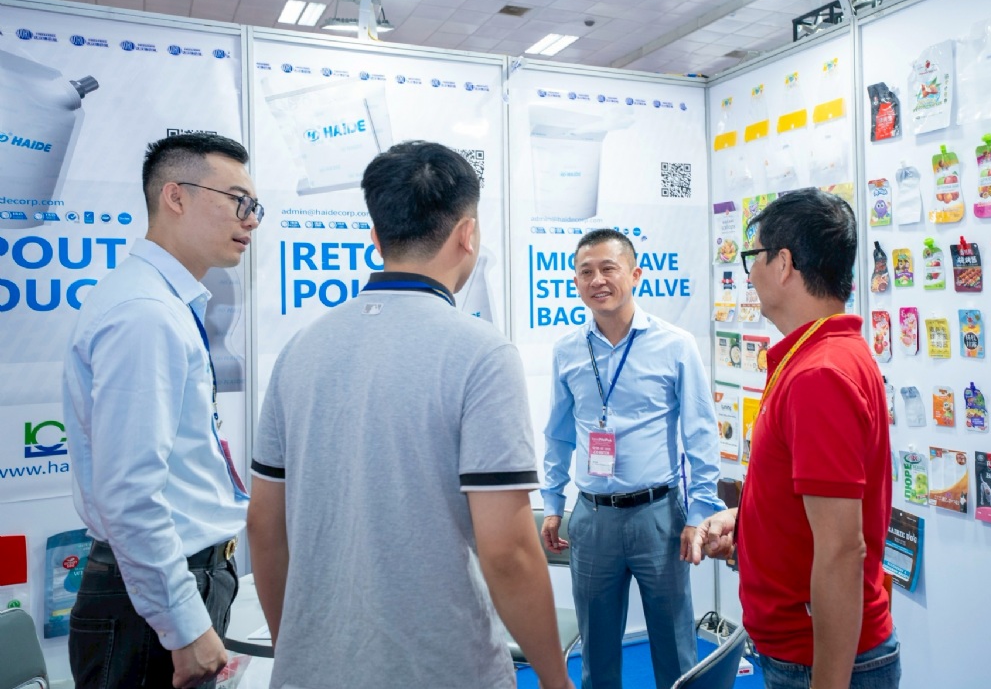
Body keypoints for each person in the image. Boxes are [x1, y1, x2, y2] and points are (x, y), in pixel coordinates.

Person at [246, 141, 572, 689]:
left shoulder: (301, 348)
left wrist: (296, 652)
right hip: (441, 668)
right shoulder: (482, 353)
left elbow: (263, 524)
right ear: (468, 234)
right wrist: (555, 680)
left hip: (312, 669)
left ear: (376, 238)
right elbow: (508, 552)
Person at [63, 133, 263, 689]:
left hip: (169, 586)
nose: (251, 220)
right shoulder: (144, 313)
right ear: (175, 196)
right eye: (238, 201)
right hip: (153, 602)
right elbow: (129, 491)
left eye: (255, 206)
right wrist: (184, 626)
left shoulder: (162, 302)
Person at [686, 188, 899, 689]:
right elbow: (815, 505)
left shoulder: (819, 374)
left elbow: (842, 550)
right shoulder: (823, 355)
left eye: (753, 258)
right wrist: (746, 523)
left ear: (782, 264)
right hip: (804, 651)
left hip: (816, 661)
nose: (749, 275)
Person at [541, 229, 723, 689]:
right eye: (586, 272)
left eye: (608, 268)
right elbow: (558, 434)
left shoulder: (675, 344)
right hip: (592, 518)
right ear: (576, 282)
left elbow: (700, 434)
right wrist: (552, 501)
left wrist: (699, 515)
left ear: (635, 274)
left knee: (675, 645)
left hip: (658, 516)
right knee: (597, 652)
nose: (597, 280)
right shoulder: (567, 350)